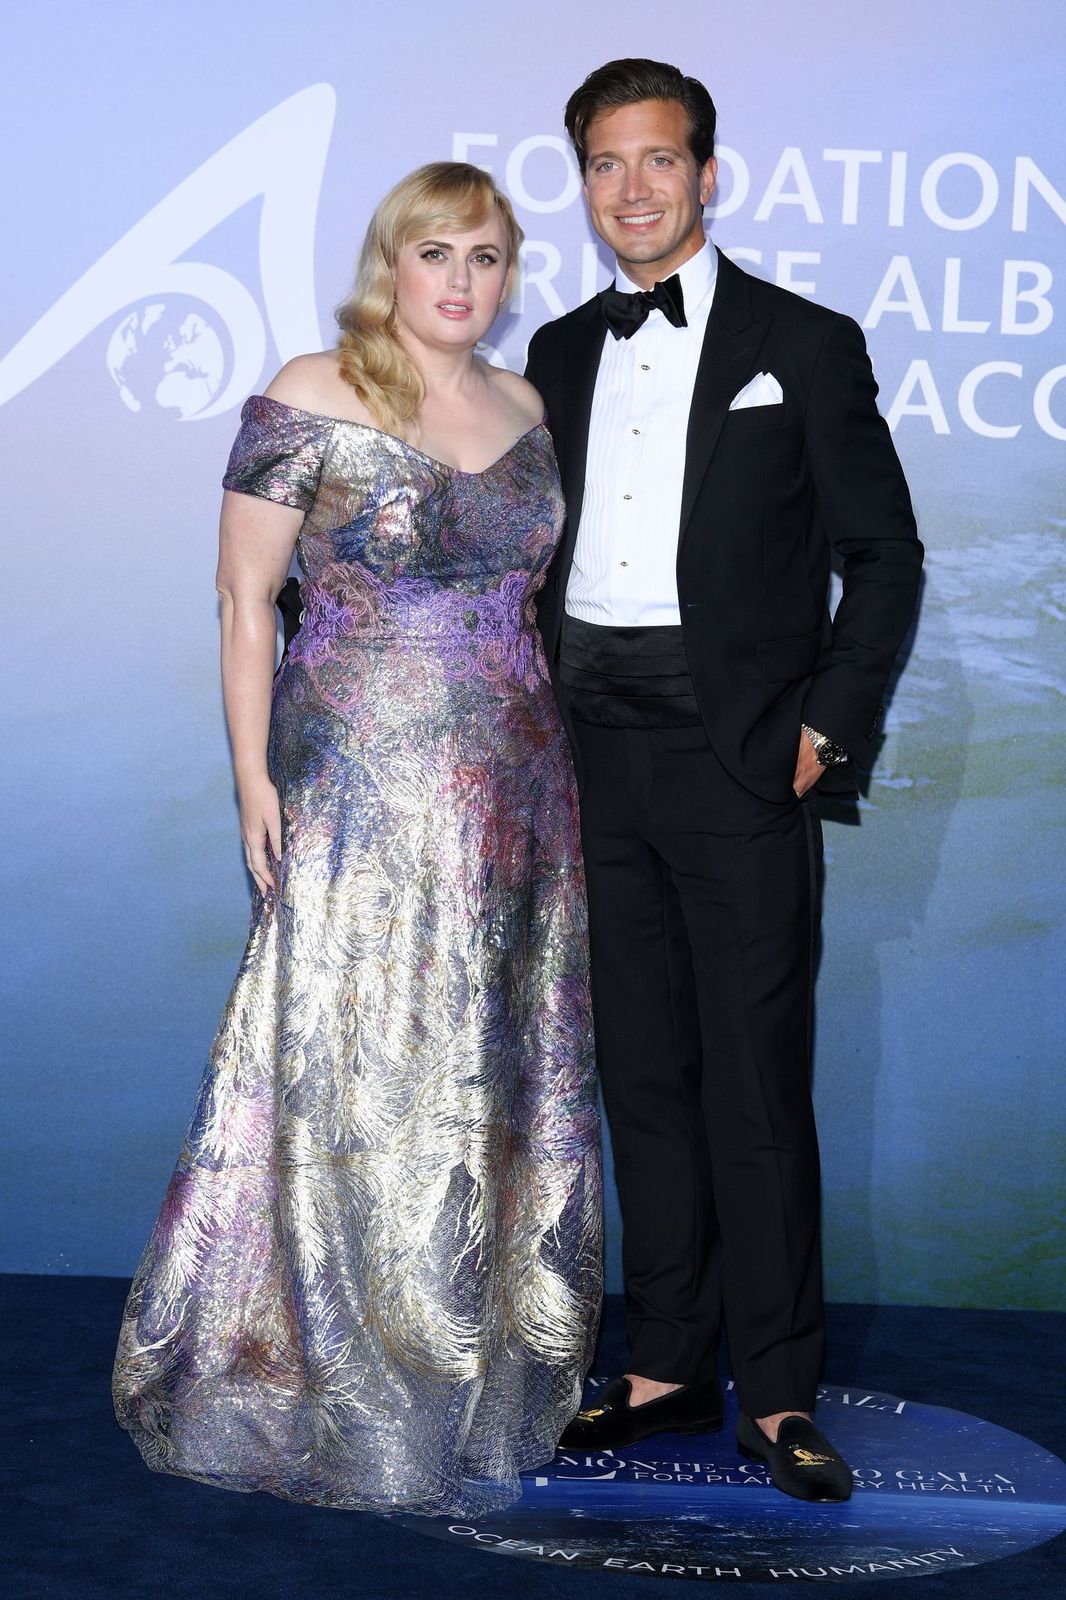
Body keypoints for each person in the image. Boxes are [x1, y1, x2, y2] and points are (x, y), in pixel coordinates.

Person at [112, 162, 602, 1517]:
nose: (461, 279)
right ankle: (324, 1371)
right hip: (359, 793)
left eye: (488, 257)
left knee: (489, 1077)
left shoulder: (527, 406)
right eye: (435, 251)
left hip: (517, 795)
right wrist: (250, 781)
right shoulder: (313, 387)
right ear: (391, 262)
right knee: (355, 1063)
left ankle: (469, 1366)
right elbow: (239, 599)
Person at [525, 59, 923, 1503]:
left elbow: (883, 555)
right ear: (582, 182)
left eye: (658, 160)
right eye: (604, 165)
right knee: (642, 1075)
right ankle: (663, 1361)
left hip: (737, 759)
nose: (631, 188)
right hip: (588, 759)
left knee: (752, 1085)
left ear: (706, 172)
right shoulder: (560, 353)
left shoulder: (802, 343)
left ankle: (781, 1389)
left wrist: (828, 721)